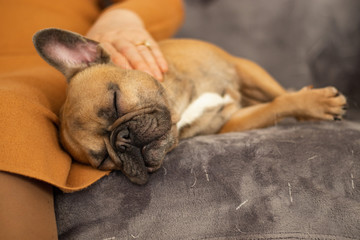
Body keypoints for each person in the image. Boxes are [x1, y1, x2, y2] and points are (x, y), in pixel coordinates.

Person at [0, 0, 184, 239]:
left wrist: (121, 16)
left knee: (8, 115)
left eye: (117, 103)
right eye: (104, 155)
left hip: (55, 75)